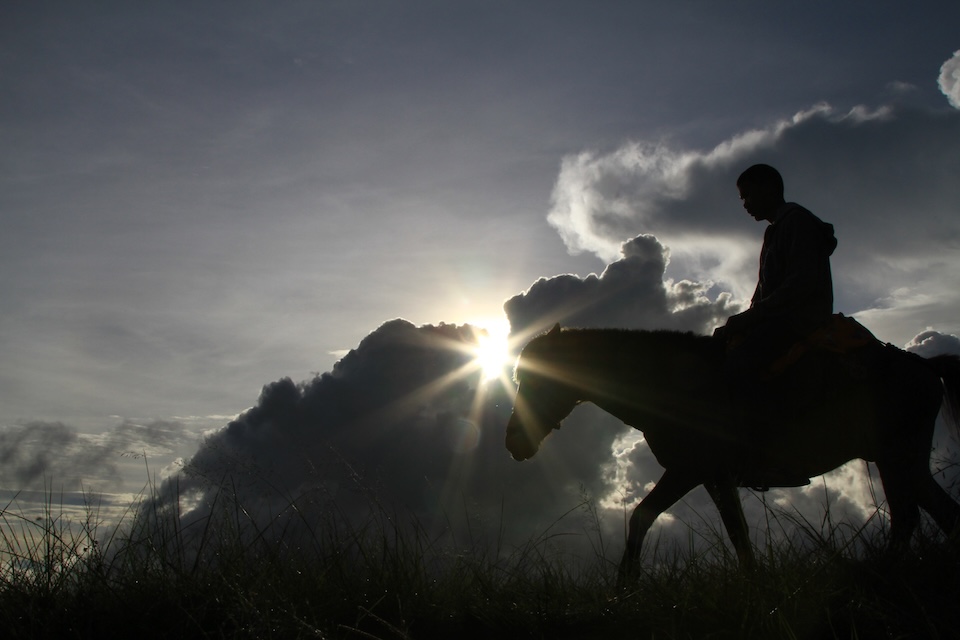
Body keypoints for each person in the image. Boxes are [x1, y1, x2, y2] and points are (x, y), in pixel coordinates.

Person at [716, 164, 837, 389]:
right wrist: (745, 319)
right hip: (777, 319)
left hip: (798, 322)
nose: (745, 204)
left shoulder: (797, 221)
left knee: (738, 366)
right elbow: (763, 290)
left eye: (748, 195)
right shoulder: (775, 231)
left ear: (769, 188)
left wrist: (753, 316)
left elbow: (801, 281)